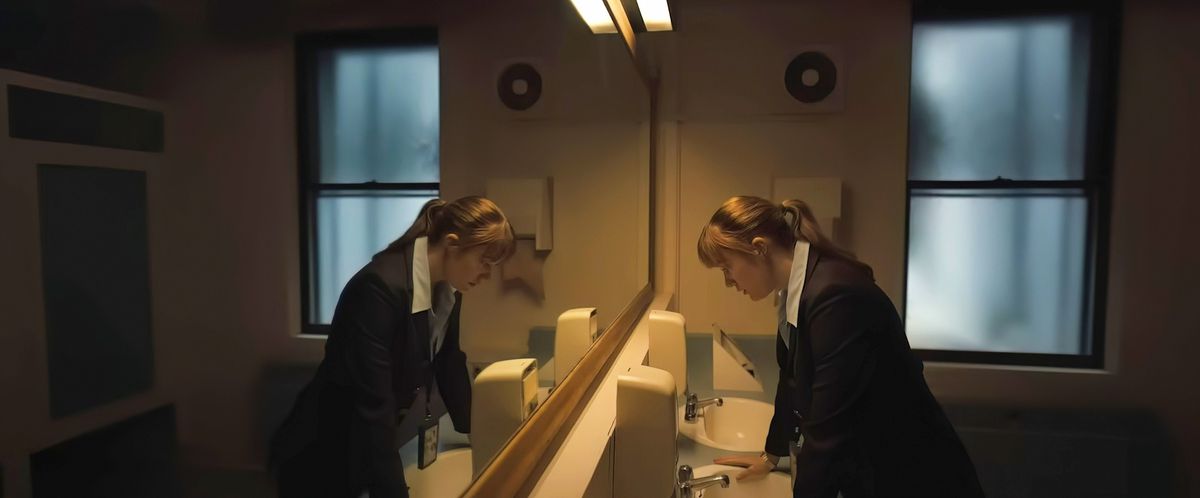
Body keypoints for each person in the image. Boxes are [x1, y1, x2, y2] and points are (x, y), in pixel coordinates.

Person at [699, 196, 983, 497]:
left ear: (759, 247)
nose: (728, 282)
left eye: (726, 268)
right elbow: (791, 380)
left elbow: (827, 433)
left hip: (915, 477)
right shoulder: (802, 287)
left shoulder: (834, 296)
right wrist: (771, 455)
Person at [270, 196, 516, 498]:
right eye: (485, 262)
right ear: (452, 244)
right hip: (324, 449)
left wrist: (479, 437)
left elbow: (449, 361)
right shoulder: (379, 287)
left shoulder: (448, 288)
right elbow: (374, 404)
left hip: (365, 442)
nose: (487, 275)